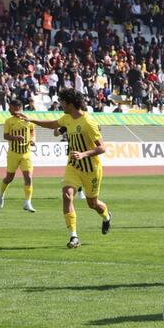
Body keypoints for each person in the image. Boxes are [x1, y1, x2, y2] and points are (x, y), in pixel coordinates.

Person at [16, 88, 112, 248]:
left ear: (70, 103)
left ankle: (106, 216)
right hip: (73, 166)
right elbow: (52, 125)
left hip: (91, 169)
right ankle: (73, 236)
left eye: (62, 101)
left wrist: (83, 154)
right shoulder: (67, 118)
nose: (60, 104)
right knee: (67, 196)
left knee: (93, 204)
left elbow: (102, 148)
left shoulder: (88, 122)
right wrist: (31, 119)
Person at [0, 99, 36, 212]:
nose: (9, 109)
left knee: (28, 177)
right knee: (9, 178)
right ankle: (1, 194)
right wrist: (15, 138)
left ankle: (27, 202)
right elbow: (5, 136)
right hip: (13, 154)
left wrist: (33, 139)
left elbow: (32, 131)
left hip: (26, 153)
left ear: (17, 108)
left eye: (10, 107)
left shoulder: (28, 120)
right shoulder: (9, 121)